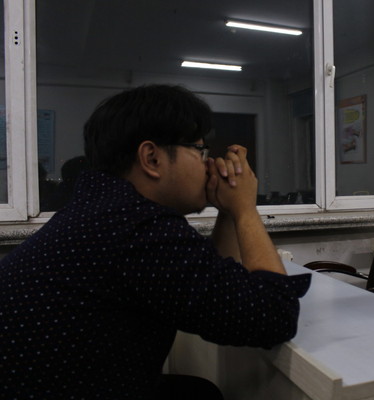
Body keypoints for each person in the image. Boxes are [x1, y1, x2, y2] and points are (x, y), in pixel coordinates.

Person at [0, 84, 311, 399]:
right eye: (200, 151)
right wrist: (246, 209)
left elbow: (213, 287)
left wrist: (229, 211)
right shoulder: (136, 227)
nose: (209, 165)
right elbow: (275, 317)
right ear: (151, 158)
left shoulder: (102, 210)